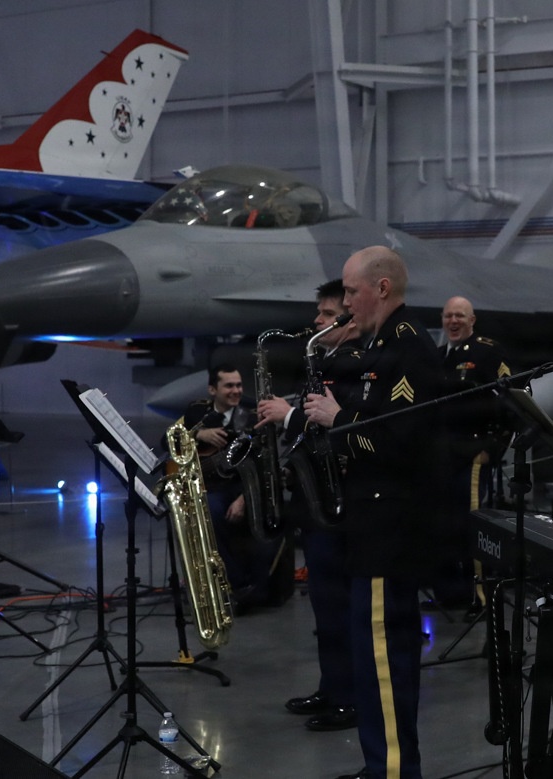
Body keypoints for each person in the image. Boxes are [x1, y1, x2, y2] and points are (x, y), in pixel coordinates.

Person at [304, 246, 451, 779]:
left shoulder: (408, 347)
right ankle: (381, 765)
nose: (344, 304)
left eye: (351, 291)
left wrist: (337, 417)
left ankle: (393, 772)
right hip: (371, 526)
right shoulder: (382, 343)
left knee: (385, 662)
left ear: (381, 288)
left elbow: (399, 438)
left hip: (392, 529)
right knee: (371, 661)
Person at [256, 279, 362, 733]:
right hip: (317, 501)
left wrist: (291, 415)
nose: (316, 322)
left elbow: (344, 427)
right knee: (323, 605)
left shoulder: (360, 366)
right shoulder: (326, 360)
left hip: (342, 506)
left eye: (325, 314)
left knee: (340, 606)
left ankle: (349, 698)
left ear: (347, 319)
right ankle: (331, 686)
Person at [428, 295, 512, 614]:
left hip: (472, 455)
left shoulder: (487, 353)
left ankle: (480, 597)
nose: (453, 321)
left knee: (473, 528)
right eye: (448, 315)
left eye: (460, 316)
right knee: (441, 527)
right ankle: (449, 593)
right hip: (440, 456)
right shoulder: (435, 357)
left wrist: (493, 448)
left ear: (472, 320)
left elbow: (510, 400)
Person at [177, 365, 285, 612]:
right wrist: (199, 434)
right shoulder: (197, 412)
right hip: (210, 486)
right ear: (212, 389)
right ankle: (234, 584)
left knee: (234, 514)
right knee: (207, 511)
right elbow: (168, 441)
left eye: (238, 385)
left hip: (244, 487)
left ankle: (246, 587)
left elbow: (263, 465)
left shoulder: (252, 417)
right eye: (229, 386)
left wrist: (243, 499)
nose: (236, 391)